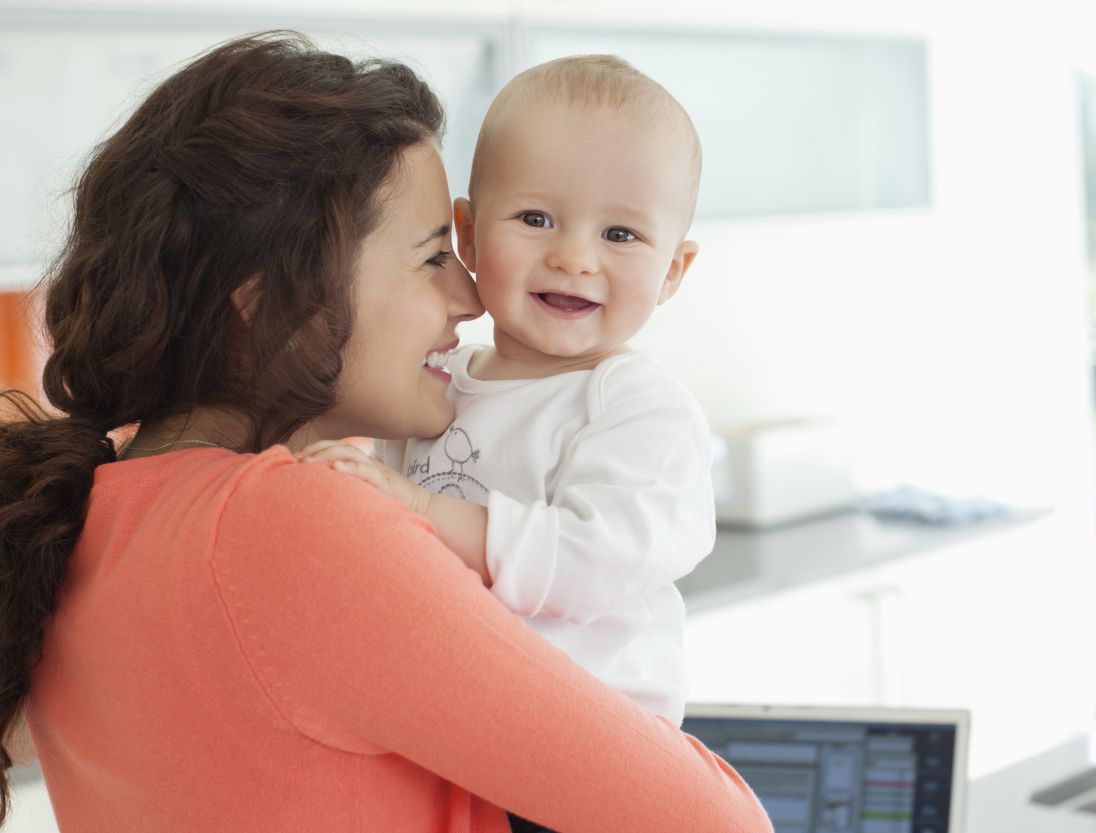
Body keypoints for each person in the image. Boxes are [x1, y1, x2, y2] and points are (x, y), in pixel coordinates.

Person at [0, 32, 771, 833]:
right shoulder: (298, 525)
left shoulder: (85, 517)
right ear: (277, 299)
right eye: (436, 254)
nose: (470, 299)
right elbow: (718, 822)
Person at [300, 56, 712, 737]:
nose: (575, 258)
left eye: (619, 234)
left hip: (594, 739)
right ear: (467, 233)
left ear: (672, 271)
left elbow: (589, 563)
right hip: (464, 727)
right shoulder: (437, 381)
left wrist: (418, 508)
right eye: (536, 217)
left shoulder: (639, 409)